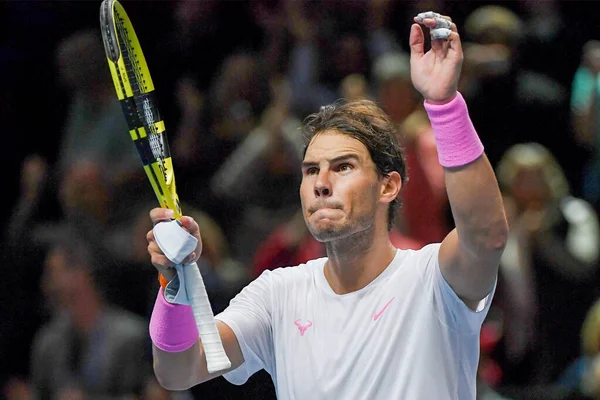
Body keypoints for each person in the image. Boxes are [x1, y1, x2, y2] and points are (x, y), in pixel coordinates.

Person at [145, 12, 508, 399]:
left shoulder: (434, 280)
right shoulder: (277, 294)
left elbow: (485, 236)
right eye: (311, 170)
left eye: (343, 167)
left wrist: (445, 104)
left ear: (388, 185)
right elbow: (179, 370)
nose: (320, 183)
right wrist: (173, 283)